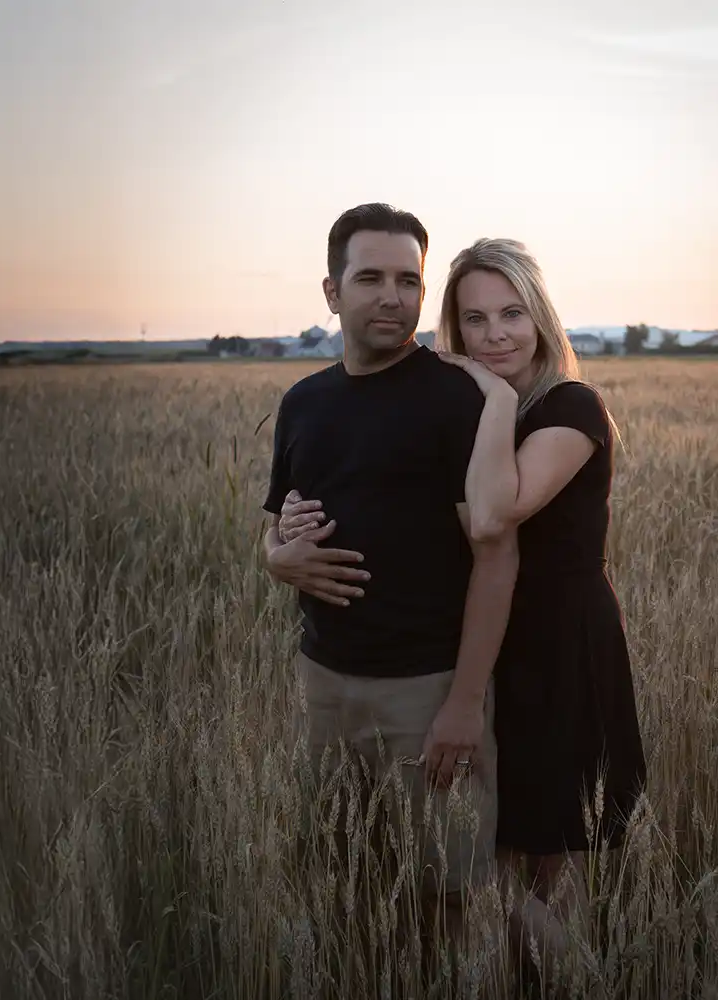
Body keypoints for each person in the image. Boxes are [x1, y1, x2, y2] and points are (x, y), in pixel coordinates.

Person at [276, 236, 647, 978]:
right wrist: (280, 548)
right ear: (454, 328)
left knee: (539, 863)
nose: (496, 334)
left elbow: (490, 518)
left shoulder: (568, 407)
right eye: (475, 321)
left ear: (541, 318)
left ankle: (591, 983)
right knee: (483, 851)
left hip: (556, 653)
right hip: (479, 646)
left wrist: (496, 393)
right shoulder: (467, 412)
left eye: (512, 314)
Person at [260, 204, 520, 954]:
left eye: (408, 279)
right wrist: (276, 558)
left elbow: (496, 555)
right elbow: (273, 520)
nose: (392, 296)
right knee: (341, 875)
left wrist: (466, 703)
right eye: (369, 277)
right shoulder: (303, 402)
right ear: (332, 292)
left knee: (450, 894)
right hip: (324, 680)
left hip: (428, 685)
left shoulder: (452, 396)